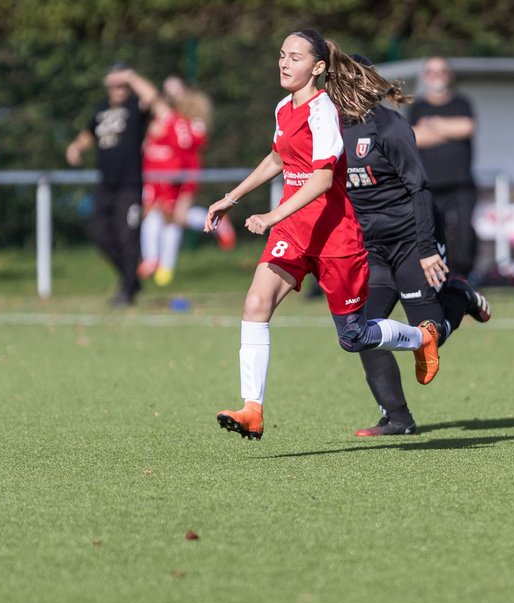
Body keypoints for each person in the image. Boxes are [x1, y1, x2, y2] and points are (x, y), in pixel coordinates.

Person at [205, 29, 442, 442]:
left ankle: (421, 336)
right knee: (256, 303)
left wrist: (271, 213)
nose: (284, 63)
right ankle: (252, 410)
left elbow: (320, 179)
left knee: (354, 337)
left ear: (317, 68)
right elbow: (278, 158)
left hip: (335, 235)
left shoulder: (323, 112)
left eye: (295, 58)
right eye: (281, 55)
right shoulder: (283, 107)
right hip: (294, 230)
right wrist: (232, 197)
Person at [342, 54, 492, 437]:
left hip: (413, 238)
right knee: (360, 331)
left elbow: (419, 189)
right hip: (372, 247)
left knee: (428, 331)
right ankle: (398, 418)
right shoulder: (329, 130)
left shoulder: (389, 127)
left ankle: (459, 297)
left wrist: (427, 248)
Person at [66, 64, 167, 306]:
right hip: (106, 185)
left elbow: (152, 96)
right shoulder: (101, 109)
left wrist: (131, 76)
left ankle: (127, 290)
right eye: (116, 83)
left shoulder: (135, 107)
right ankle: (131, 278)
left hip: (130, 184)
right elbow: (90, 132)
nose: (120, 88)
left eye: (123, 84)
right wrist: (76, 146)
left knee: (127, 236)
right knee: (99, 232)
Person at [408, 56, 479, 279]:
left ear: (449, 76)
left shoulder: (462, 103)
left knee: (464, 233)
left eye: (441, 71)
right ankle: (440, 277)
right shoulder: (417, 107)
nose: (437, 76)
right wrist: (450, 131)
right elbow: (415, 137)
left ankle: (464, 277)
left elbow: (467, 127)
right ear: (424, 76)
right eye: (432, 72)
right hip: (429, 185)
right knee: (434, 233)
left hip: (462, 184)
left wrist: (433, 125)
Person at [139, 87, 207, 287]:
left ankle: (164, 264)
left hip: (172, 179)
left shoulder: (178, 123)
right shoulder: (156, 124)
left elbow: (186, 146)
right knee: (152, 215)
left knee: (173, 218)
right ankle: (153, 260)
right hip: (153, 178)